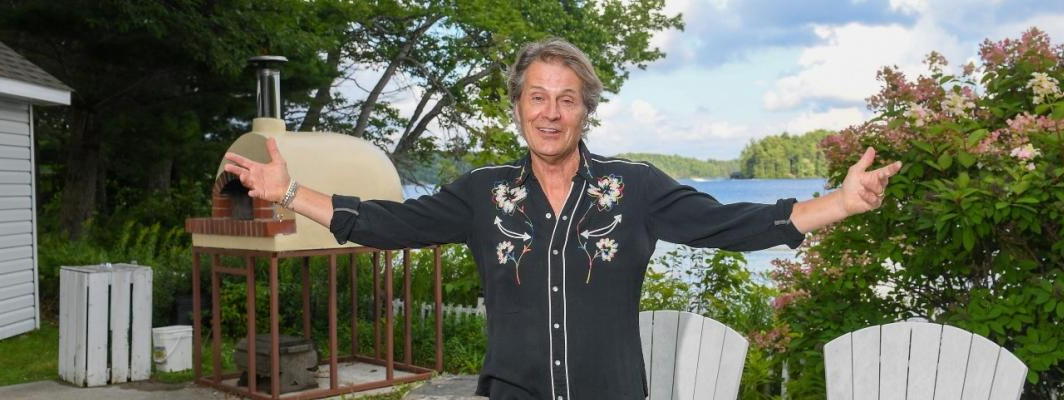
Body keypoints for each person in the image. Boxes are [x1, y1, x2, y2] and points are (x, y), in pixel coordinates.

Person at [225, 38, 901, 400]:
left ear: (585, 111)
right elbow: (385, 222)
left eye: (567, 99)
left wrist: (838, 204)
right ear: (517, 107)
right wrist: (290, 194)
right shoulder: (483, 194)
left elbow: (727, 225)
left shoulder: (633, 187)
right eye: (538, 97)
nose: (551, 112)